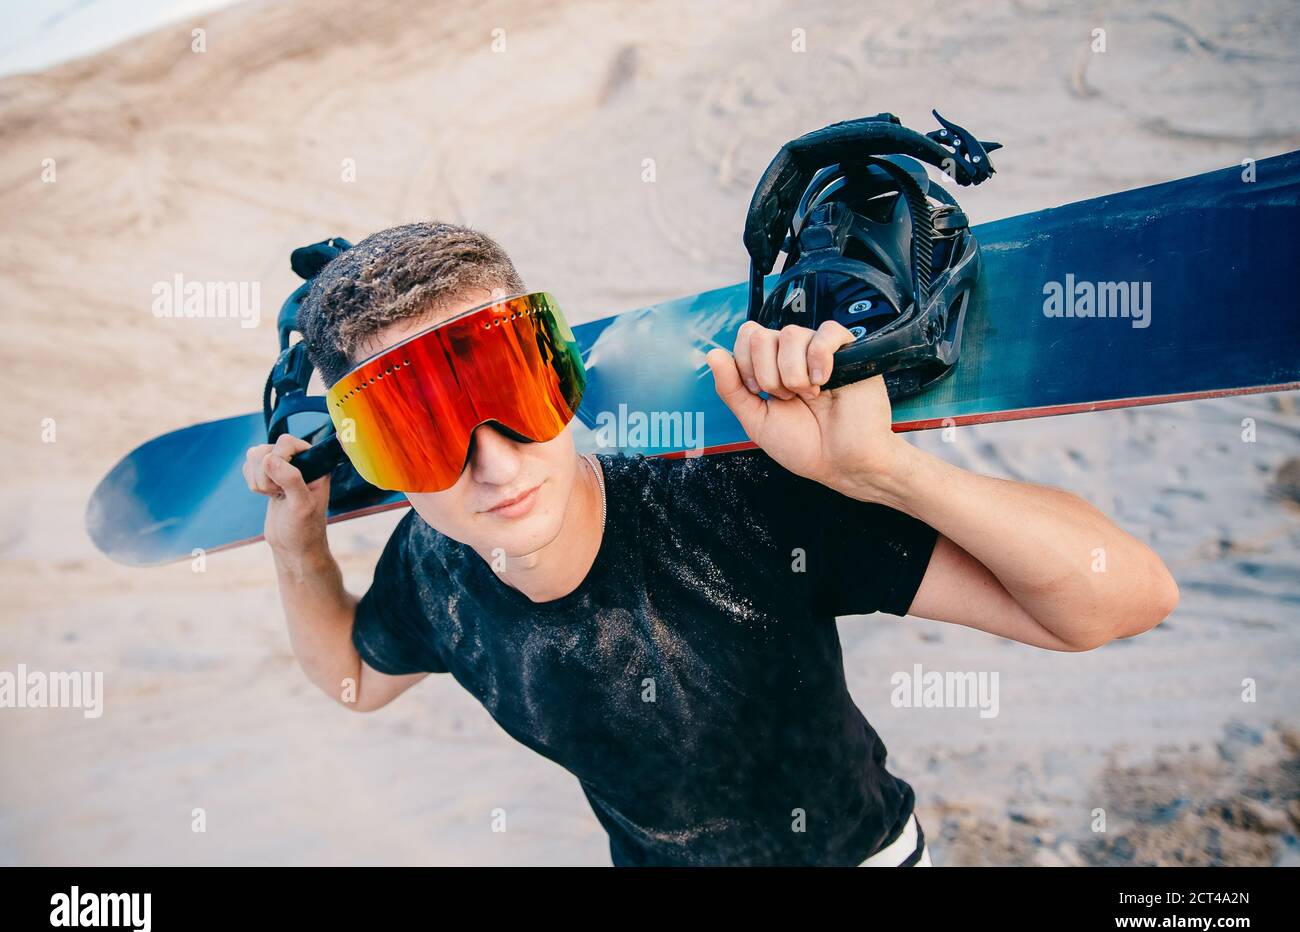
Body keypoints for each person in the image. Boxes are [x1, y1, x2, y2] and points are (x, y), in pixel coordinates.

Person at [244, 222, 1179, 866]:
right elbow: (356, 683)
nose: (493, 464)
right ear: (378, 464)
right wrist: (298, 551)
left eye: (514, 387)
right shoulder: (431, 567)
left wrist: (884, 473)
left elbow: (1126, 600)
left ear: (560, 371)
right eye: (421, 430)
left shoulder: (737, 500)